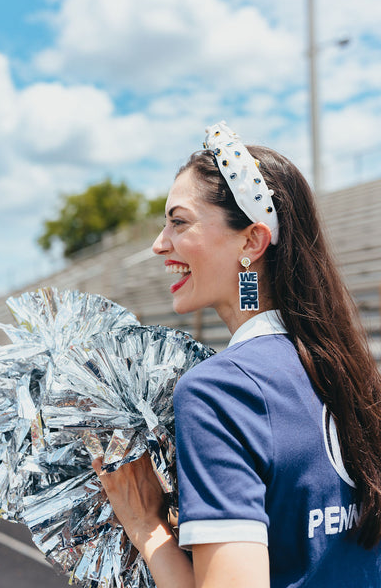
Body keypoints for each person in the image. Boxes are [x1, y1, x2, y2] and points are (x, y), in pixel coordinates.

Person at [92, 120, 381, 587]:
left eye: (178, 221)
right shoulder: (351, 374)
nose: (159, 244)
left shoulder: (219, 390)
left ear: (252, 241)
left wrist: (146, 525)